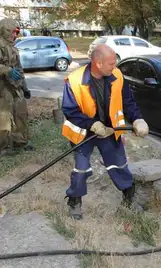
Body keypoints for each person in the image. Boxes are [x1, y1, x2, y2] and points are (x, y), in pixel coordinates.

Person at [61, 44, 149, 220]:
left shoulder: (116, 76)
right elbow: (70, 110)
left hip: (109, 130)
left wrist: (137, 118)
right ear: (98, 63)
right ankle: (75, 201)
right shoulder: (75, 80)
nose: (115, 67)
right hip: (83, 132)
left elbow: (127, 101)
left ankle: (129, 198)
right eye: (111, 64)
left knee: (119, 164)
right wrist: (92, 124)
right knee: (81, 169)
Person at [0, 18, 32, 155]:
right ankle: (4, 148)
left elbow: (19, 68)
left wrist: (25, 87)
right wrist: (7, 70)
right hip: (3, 87)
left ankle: (20, 142)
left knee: (21, 113)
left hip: (16, 86)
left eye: (16, 32)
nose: (15, 35)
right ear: (5, 31)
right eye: (13, 32)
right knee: (4, 117)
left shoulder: (13, 47)